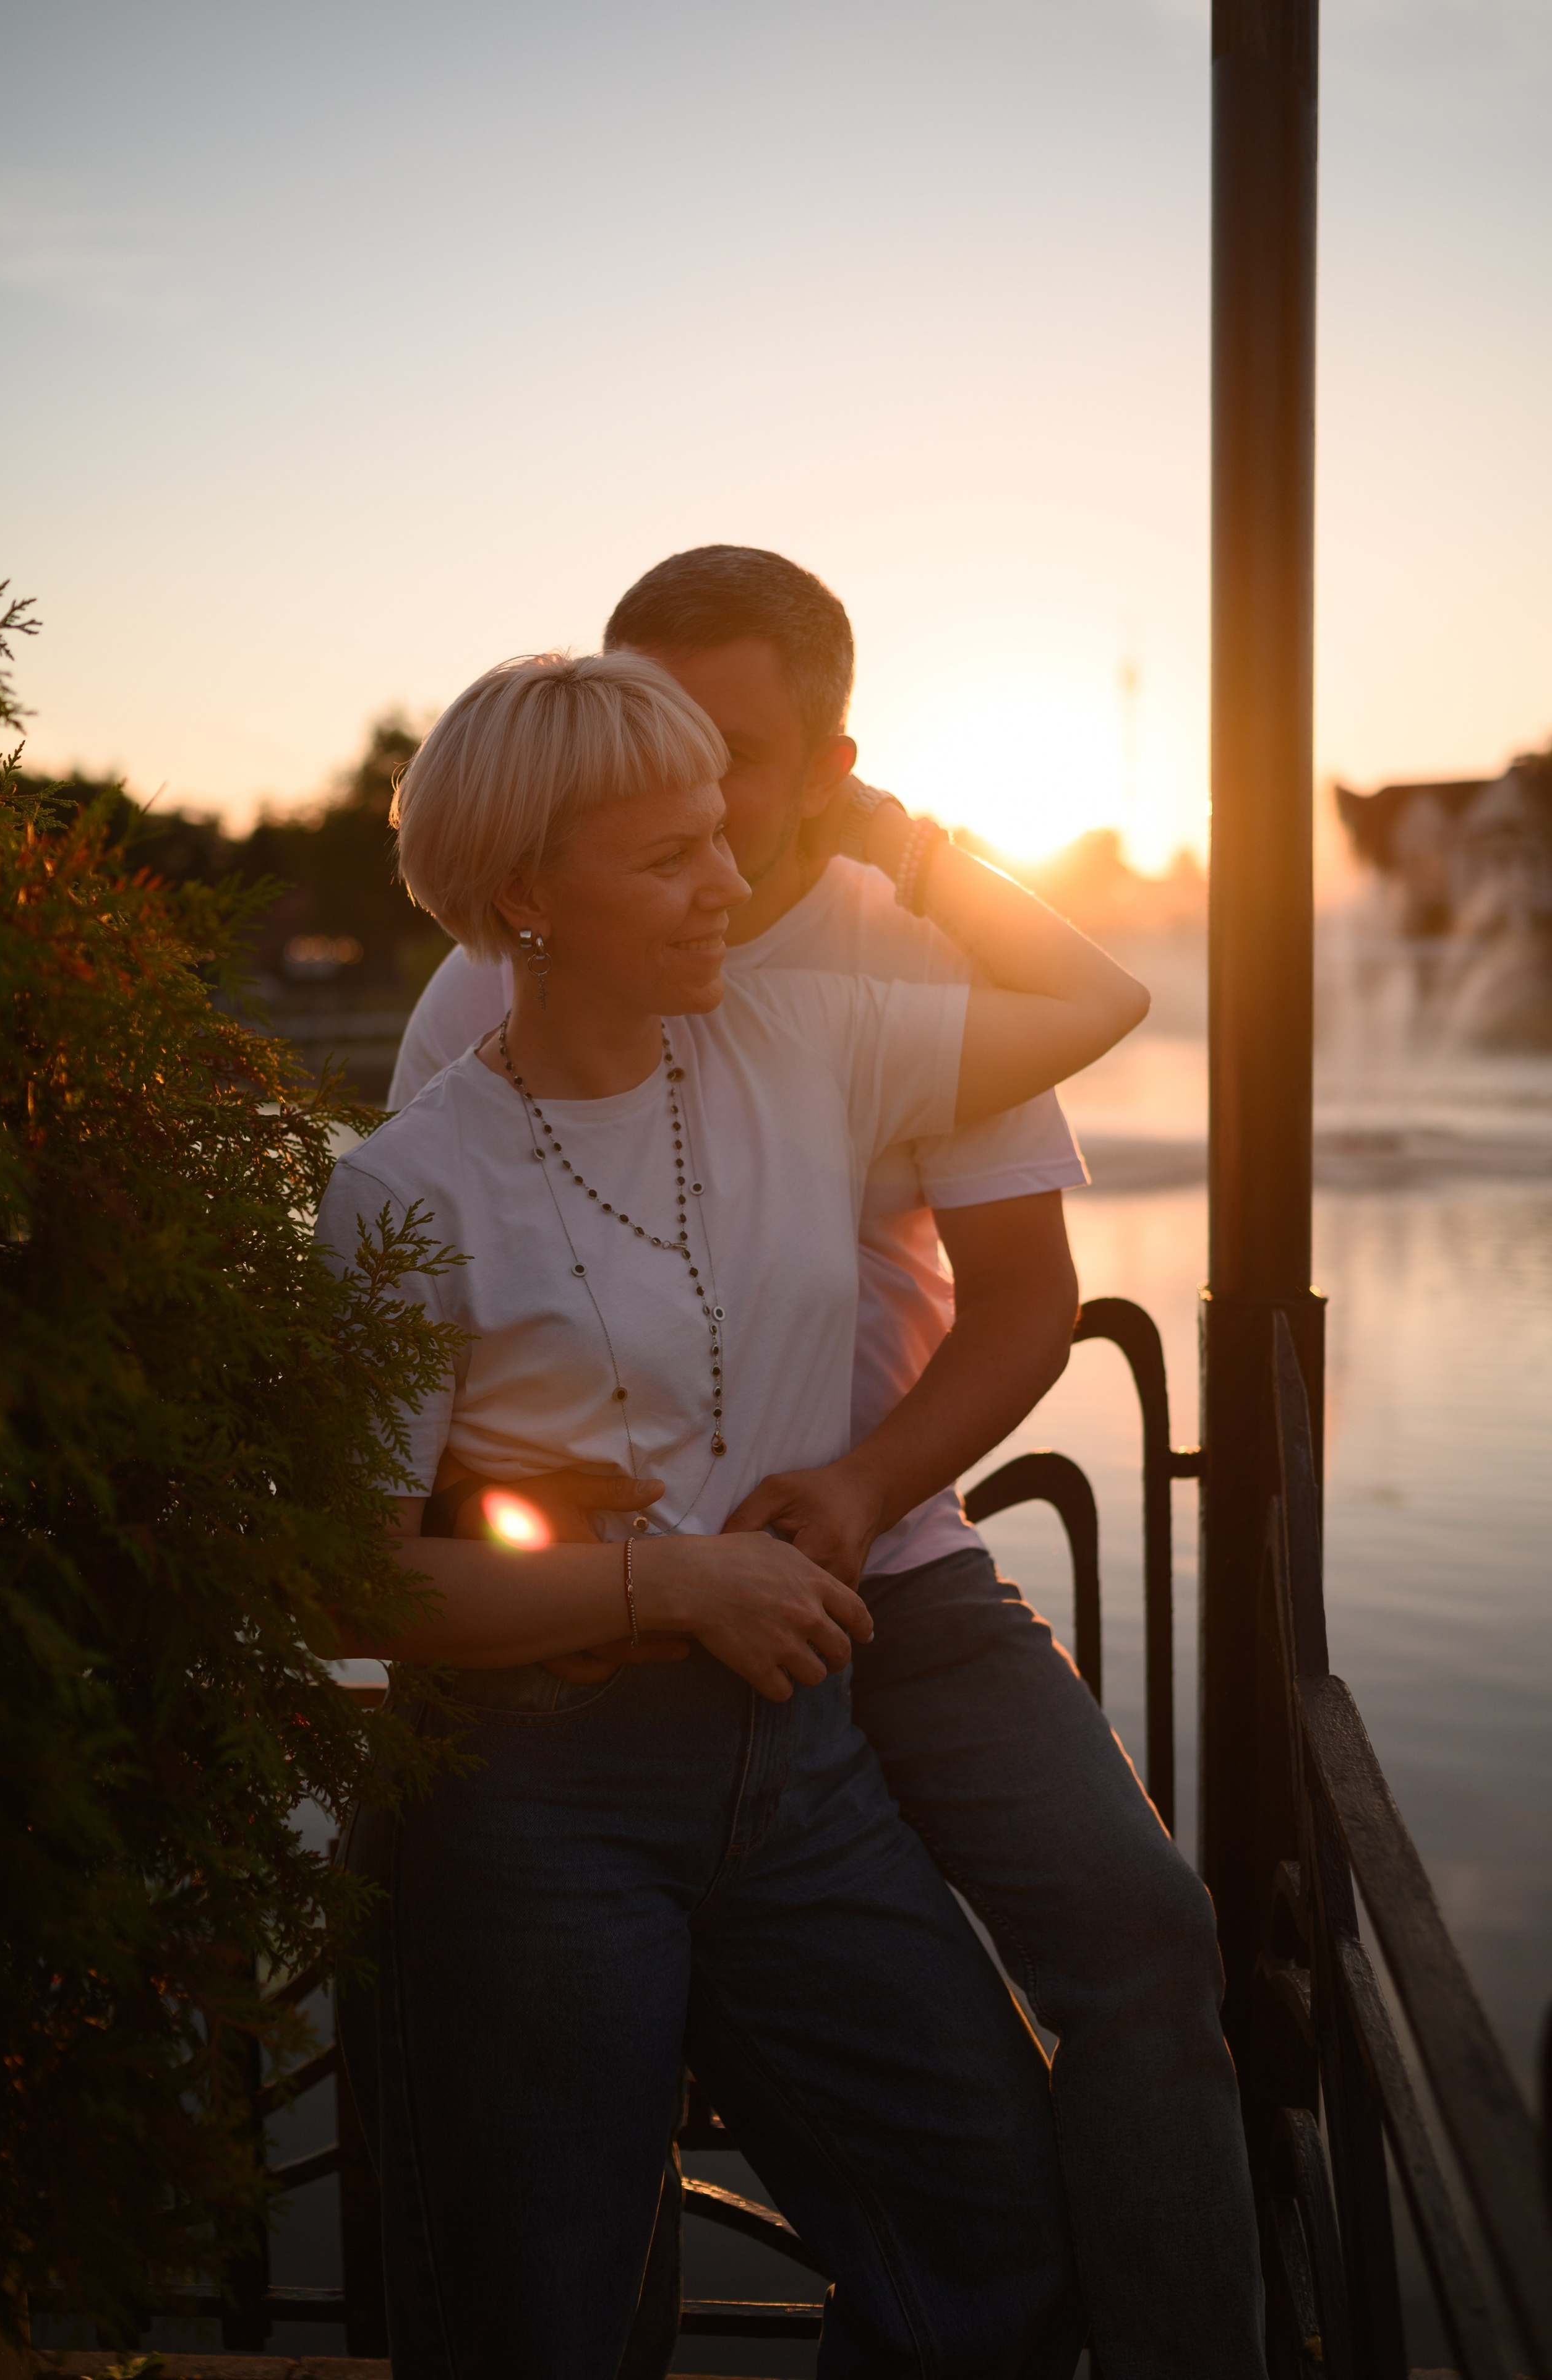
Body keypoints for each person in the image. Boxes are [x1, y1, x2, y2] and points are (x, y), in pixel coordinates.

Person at [388, 547, 1269, 2379]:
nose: (680, 789)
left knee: (1137, 1940)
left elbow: (1033, 1282)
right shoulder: (471, 1027)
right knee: (570, 2173)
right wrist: (595, 1580)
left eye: (724, 760)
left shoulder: (866, 976)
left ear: (831, 762)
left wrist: (862, 1494)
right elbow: (438, 1379)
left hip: (893, 1568)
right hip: (619, 1657)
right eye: (640, 748)